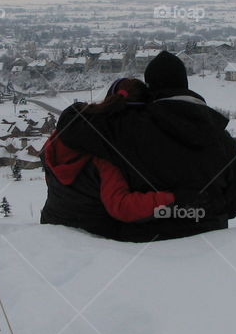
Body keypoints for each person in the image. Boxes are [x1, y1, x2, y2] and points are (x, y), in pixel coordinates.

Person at [56, 52, 236, 241]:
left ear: (150, 89)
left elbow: (69, 125)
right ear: (185, 85)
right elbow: (235, 205)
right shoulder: (224, 141)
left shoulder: (130, 128)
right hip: (210, 247)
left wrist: (110, 106)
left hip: (147, 250)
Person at [40, 78, 177, 239]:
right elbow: (121, 206)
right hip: (90, 237)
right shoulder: (105, 153)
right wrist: (172, 198)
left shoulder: (60, 137)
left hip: (50, 227)